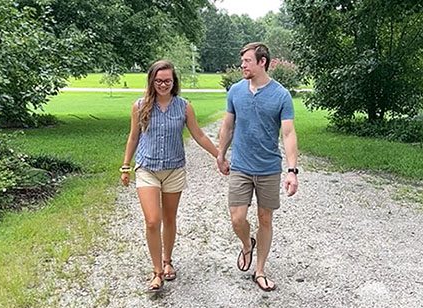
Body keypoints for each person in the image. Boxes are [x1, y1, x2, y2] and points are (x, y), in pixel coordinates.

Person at [120, 60, 219, 292]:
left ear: (174, 82)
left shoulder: (184, 106)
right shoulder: (140, 106)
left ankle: (167, 261)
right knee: (153, 220)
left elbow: (199, 135)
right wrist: (125, 166)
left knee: (169, 218)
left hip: (174, 169)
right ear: (151, 81)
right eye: (158, 80)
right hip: (147, 169)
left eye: (167, 80)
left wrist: (219, 156)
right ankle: (156, 273)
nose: (163, 84)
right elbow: (133, 137)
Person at [216, 42, 299, 292]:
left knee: (265, 218)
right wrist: (220, 154)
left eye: (247, 61)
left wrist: (292, 171)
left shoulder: (281, 95)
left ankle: (260, 270)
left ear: (262, 62)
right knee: (237, 218)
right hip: (241, 166)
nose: (242, 65)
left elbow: (288, 134)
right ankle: (246, 244)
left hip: (268, 168)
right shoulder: (236, 91)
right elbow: (228, 125)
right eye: (242, 61)